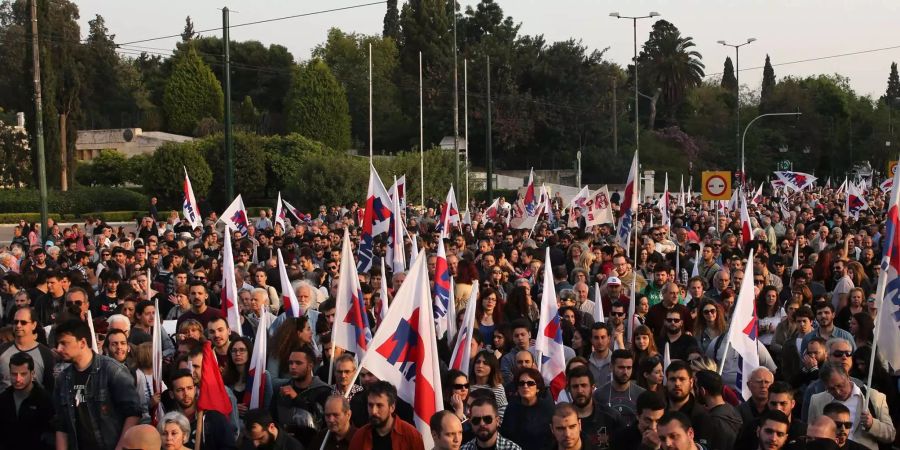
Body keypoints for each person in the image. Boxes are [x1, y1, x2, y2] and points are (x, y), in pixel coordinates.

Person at [53, 319, 142, 450]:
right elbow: (61, 423)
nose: (59, 349)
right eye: (58, 344)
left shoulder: (113, 370)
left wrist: (120, 448)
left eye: (64, 343)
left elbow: (133, 413)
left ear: (82, 343)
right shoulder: (63, 378)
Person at [807, 364, 896, 450]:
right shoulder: (817, 401)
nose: (837, 392)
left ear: (847, 376)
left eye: (840, 385)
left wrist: (872, 424)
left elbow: (891, 435)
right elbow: (809, 436)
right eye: (831, 389)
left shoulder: (875, 398)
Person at [272, 345, 331, 446]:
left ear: (310, 365)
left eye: (298, 363)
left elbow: (322, 422)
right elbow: (272, 419)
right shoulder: (282, 390)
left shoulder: (323, 391)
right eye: (290, 363)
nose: (293, 366)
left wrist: (297, 399)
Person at [167, 369, 237, 450]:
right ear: (172, 394)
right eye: (180, 390)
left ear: (195, 389)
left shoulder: (214, 417)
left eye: (189, 388)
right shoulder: (169, 421)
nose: (186, 393)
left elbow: (229, 447)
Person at [0, 352, 54, 450]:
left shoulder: (44, 399)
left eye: (23, 374)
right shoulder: (4, 399)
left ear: (32, 373)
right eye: (14, 374)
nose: (18, 379)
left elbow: (51, 434)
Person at [349, 381, 425, 450]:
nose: (374, 411)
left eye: (379, 405)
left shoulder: (411, 435)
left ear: (392, 407)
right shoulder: (360, 436)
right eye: (370, 405)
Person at [565, 364, 622, 448]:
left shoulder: (611, 417)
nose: (580, 391)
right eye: (575, 386)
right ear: (569, 389)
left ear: (592, 388)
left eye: (584, 385)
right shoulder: (562, 420)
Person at [0, 306, 55, 391]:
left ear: (34, 325)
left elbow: (49, 387)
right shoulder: (2, 350)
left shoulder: (45, 353)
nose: (18, 325)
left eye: (23, 322)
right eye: (15, 322)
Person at [500, 367, 555, 450]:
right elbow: (505, 435)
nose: (525, 386)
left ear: (538, 388)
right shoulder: (511, 408)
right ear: (517, 388)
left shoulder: (547, 409)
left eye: (530, 383)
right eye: (521, 383)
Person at [692, 370, 742, 450]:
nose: (694, 392)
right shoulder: (735, 412)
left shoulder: (709, 421)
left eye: (695, 388)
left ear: (702, 391)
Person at [595, 349, 645, 427]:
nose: (625, 372)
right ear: (611, 367)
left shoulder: (642, 395)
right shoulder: (598, 394)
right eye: (621, 367)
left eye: (629, 368)